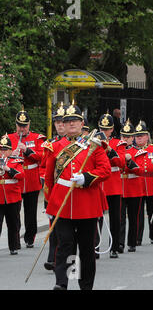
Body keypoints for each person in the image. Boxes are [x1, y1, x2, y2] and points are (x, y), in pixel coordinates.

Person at [44, 103, 112, 290]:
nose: (71, 124)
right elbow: (49, 179)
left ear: (82, 123)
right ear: (62, 126)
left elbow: (105, 170)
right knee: (64, 244)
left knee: (87, 249)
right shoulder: (55, 147)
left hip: (86, 203)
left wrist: (86, 178)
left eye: (75, 120)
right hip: (62, 204)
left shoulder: (94, 144)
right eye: (67, 121)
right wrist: (49, 205)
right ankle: (62, 283)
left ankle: (86, 285)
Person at [8, 107, 45, 249]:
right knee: (14, 212)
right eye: (19, 126)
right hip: (15, 179)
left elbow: (42, 157)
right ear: (15, 125)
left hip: (30, 179)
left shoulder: (37, 138)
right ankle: (15, 238)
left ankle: (30, 237)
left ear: (29, 125)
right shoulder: (9, 138)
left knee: (30, 211)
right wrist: (13, 152)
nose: (22, 129)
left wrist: (27, 150)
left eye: (24, 126)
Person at [41, 102, 67, 270]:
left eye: (61, 122)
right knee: (53, 227)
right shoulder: (51, 144)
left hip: (68, 190)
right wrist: (43, 180)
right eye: (56, 122)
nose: (59, 125)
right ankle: (53, 258)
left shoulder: (77, 144)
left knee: (66, 231)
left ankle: (65, 259)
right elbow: (43, 167)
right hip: (52, 190)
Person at [98, 112, 127, 258]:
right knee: (96, 218)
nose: (104, 132)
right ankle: (95, 247)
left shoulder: (118, 143)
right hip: (98, 183)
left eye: (107, 129)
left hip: (113, 182)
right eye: (101, 129)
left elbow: (121, 162)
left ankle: (114, 247)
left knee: (115, 218)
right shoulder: (93, 141)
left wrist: (109, 150)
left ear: (112, 129)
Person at [119, 120, 144, 253]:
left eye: (128, 137)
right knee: (120, 217)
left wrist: (130, 160)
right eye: (123, 136)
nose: (125, 139)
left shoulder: (137, 151)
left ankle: (132, 242)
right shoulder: (117, 150)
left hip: (134, 187)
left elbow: (140, 170)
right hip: (120, 187)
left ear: (133, 137)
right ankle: (120, 243)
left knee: (133, 217)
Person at [0, 134, 24, 255]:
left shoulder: (16, 161)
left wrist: (8, 169)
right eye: (1, 149)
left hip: (12, 197)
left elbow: (21, 175)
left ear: (10, 150)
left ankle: (13, 246)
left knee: (13, 223)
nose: (3, 152)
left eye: (5, 149)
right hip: (0, 197)